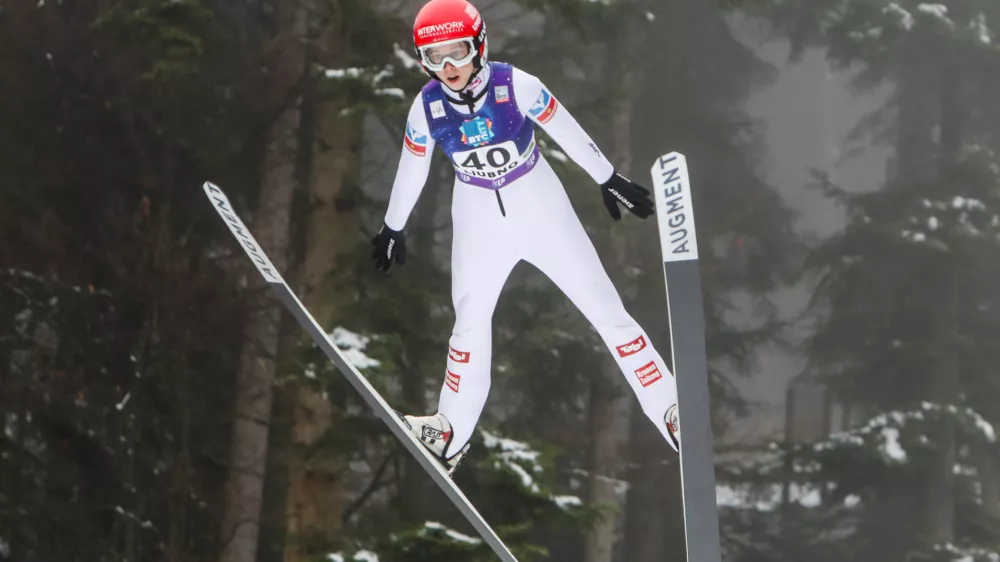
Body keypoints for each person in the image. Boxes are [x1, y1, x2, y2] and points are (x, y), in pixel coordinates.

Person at [371, 0, 679, 476]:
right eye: (435, 57)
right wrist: (393, 224)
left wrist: (607, 177)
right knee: (469, 322)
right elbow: (413, 166)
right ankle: (450, 432)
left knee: (606, 311)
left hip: (540, 208)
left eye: (457, 52)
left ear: (479, 47)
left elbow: (565, 129)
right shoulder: (427, 107)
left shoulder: (515, 84)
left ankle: (671, 410)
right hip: (477, 217)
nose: (448, 67)